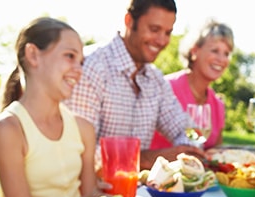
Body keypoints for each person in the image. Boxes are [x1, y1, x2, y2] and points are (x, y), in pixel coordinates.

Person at [0, 17, 100, 197]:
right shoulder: (9, 129)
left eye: (81, 62)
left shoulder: (83, 128)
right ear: (33, 55)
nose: (78, 70)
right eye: (70, 56)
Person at [65, 0, 204, 171]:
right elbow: (78, 151)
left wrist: (185, 153)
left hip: (135, 192)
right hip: (90, 194)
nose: (162, 41)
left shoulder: (155, 79)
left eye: (168, 32)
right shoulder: (90, 67)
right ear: (129, 21)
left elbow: (185, 129)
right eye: (154, 29)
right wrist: (145, 158)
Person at [150, 20, 234, 150]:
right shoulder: (165, 88)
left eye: (226, 53)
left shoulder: (218, 105)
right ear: (194, 51)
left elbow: (217, 154)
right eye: (215, 50)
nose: (222, 59)